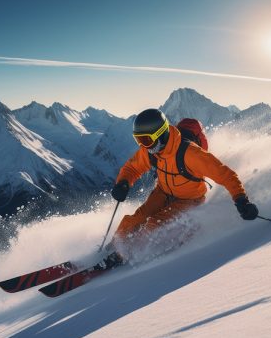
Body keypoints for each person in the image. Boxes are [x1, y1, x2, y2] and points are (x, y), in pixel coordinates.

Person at [104, 108, 258, 265]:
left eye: (146, 140)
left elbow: (226, 175)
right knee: (135, 220)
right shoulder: (151, 151)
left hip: (189, 200)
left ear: (161, 134)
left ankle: (131, 254)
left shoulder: (191, 154)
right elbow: (132, 168)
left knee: (152, 227)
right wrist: (123, 182)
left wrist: (241, 200)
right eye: (139, 140)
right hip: (162, 192)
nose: (143, 146)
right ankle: (115, 247)